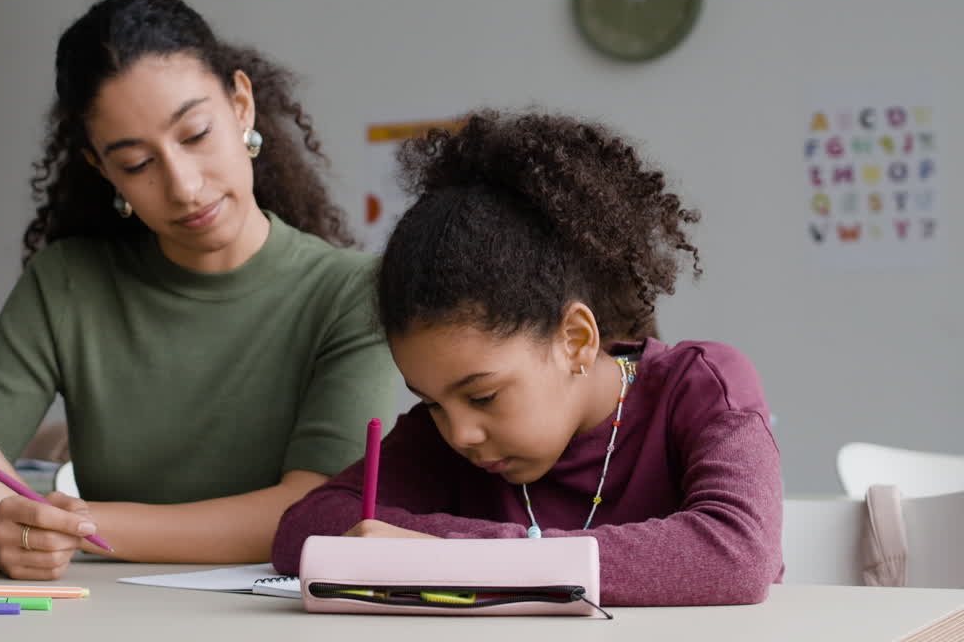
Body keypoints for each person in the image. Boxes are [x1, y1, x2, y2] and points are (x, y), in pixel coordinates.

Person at [0, 0, 401, 578]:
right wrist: (2, 541)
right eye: (137, 164)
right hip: (104, 618)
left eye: (195, 135)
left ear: (241, 105)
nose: (184, 186)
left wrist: (67, 523)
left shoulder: (353, 293)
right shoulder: (67, 284)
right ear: (101, 168)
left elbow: (311, 512)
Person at [271, 110, 783, 606]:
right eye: (430, 402)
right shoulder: (447, 435)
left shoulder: (701, 386)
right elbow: (303, 527)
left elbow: (736, 555)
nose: (461, 433)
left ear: (575, 340)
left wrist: (455, 557)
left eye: (484, 395)